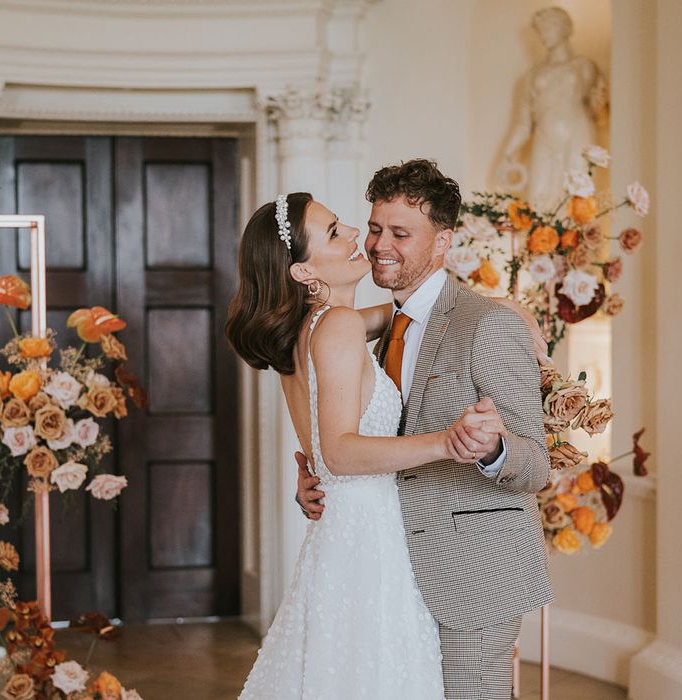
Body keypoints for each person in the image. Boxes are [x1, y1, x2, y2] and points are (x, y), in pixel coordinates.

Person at [227, 189, 510, 698]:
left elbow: (400, 314)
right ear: (302, 272)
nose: (357, 234)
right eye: (336, 233)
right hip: (372, 539)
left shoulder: (304, 332)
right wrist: (446, 443)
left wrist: (489, 307)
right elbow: (338, 452)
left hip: (342, 534)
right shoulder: (334, 327)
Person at [296, 160, 553, 699]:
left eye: (399, 234)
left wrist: (493, 449)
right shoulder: (374, 325)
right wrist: (320, 484)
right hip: (391, 572)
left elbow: (537, 463)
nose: (378, 245)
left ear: (443, 242)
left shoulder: (490, 323)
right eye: (373, 228)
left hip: (474, 572)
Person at [497, 6, 607, 210]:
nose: (542, 35)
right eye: (540, 30)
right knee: (538, 198)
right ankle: (541, 240)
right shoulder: (532, 76)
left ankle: (581, 241)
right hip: (544, 138)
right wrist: (507, 154)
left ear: (563, 28)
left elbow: (598, 110)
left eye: (547, 28)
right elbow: (523, 123)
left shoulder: (584, 66)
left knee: (579, 198)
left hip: (578, 135)